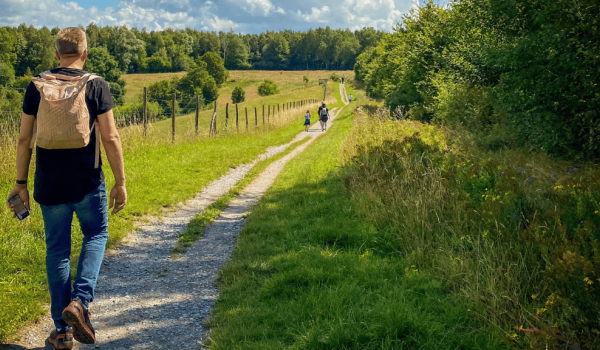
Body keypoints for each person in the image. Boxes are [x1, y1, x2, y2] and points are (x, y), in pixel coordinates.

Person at [6, 27, 127, 349]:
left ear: (57, 54)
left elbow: (23, 139)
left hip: (48, 184)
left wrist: (20, 183)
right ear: (85, 54)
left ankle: (61, 331)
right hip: (88, 181)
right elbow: (111, 137)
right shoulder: (95, 84)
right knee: (96, 234)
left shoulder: (36, 85)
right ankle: (81, 303)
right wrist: (121, 181)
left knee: (57, 251)